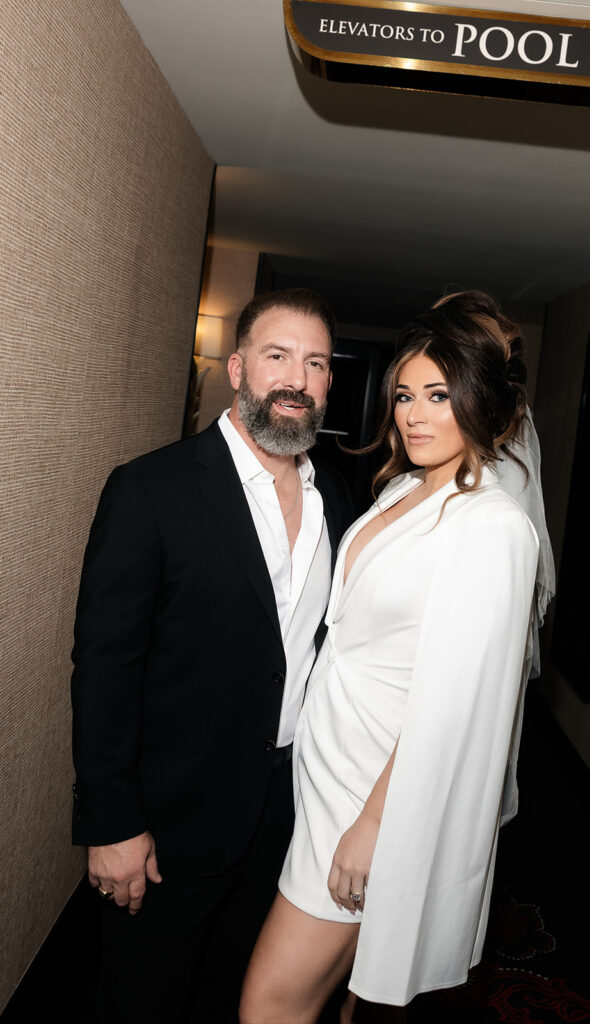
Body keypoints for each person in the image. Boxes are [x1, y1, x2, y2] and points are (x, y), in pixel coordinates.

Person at [240, 289, 554, 1023]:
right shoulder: (403, 488)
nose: (413, 414)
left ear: (479, 400)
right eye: (405, 394)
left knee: (269, 1001)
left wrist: (374, 824)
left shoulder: (492, 526)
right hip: (330, 769)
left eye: (438, 395)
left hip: (372, 791)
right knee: (335, 999)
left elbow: (450, 704)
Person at [70, 287, 354, 1023]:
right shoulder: (151, 489)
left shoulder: (343, 504)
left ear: (328, 382)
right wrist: (111, 823)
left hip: (290, 813)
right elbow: (105, 665)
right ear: (237, 369)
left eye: (315, 362)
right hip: (168, 823)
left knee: (237, 994)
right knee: (142, 999)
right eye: (276, 356)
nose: (296, 377)